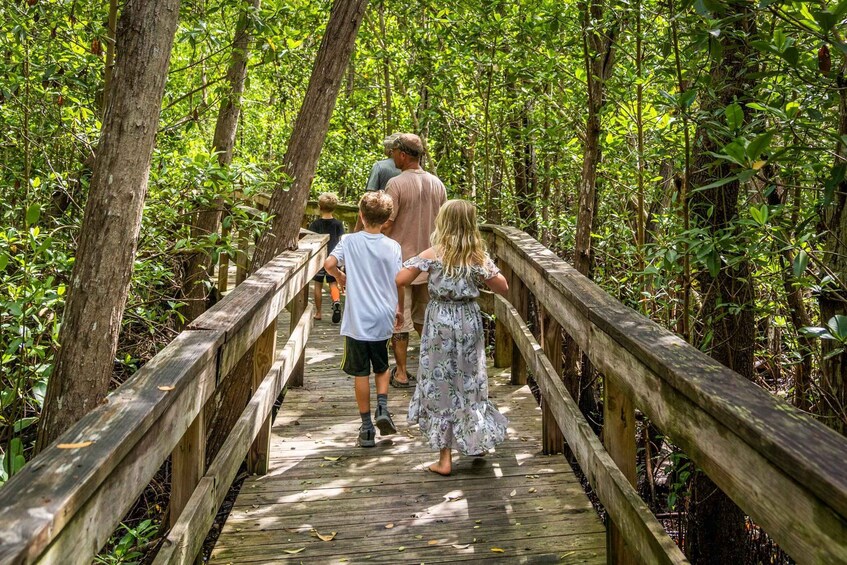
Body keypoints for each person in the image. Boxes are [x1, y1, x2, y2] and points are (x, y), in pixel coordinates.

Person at [397, 199, 509, 475]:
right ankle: (475, 440)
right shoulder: (476, 256)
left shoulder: (434, 253)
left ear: (443, 223)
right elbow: (502, 286)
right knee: (469, 380)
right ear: (471, 226)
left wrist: (426, 267)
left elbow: (401, 279)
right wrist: (481, 270)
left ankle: (445, 459)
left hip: (439, 323)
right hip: (468, 321)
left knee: (441, 383)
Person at [324, 191, 403, 448]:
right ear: (387, 219)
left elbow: (328, 263)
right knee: (381, 367)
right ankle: (383, 408)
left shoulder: (349, 241)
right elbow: (398, 280)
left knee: (360, 373)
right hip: (383, 316)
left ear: (361, 215)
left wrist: (339, 276)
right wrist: (399, 308)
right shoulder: (393, 247)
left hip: (357, 320)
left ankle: (367, 427)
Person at [383, 133, 447, 387]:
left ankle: (400, 372)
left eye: (394, 152)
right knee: (425, 318)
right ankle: (431, 367)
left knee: (399, 319)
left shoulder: (395, 184)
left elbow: (387, 223)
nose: (392, 156)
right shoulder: (437, 184)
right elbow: (444, 225)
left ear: (403, 154)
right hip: (431, 263)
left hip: (401, 265)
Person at [308, 193, 345, 323]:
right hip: (334, 258)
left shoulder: (315, 224)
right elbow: (342, 241)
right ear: (334, 207)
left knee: (317, 284)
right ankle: (336, 301)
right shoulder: (338, 224)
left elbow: (310, 241)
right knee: (333, 283)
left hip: (319, 259)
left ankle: (318, 312)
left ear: (319, 207)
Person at [354, 134, 403, 232]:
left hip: (380, 225)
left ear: (390, 151)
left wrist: (357, 228)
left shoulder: (379, 167)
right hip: (400, 225)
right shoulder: (407, 168)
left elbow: (368, 200)